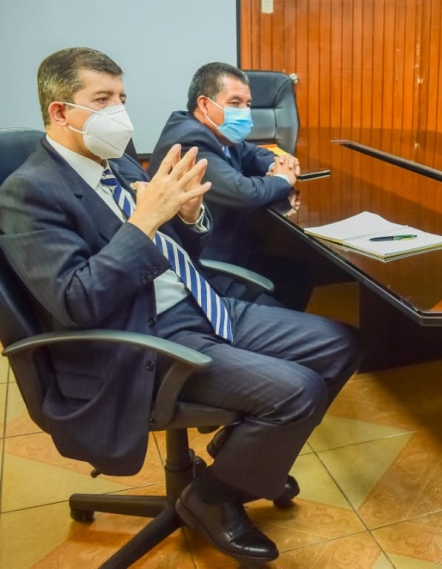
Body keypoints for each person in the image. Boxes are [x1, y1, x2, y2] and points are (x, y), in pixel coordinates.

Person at [0, 48, 361, 565]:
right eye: (102, 99)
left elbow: (171, 251)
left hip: (198, 301)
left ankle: (238, 458)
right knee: (297, 391)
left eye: (121, 97)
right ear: (60, 111)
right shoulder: (28, 192)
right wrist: (144, 221)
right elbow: (78, 301)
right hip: (139, 337)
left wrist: (188, 219)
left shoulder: (118, 163)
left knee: (341, 343)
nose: (119, 112)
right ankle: (210, 498)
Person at [151, 62, 309, 309]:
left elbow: (253, 153)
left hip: (232, 252)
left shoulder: (218, 134)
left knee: (300, 274)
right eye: (235, 103)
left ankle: (272, 329)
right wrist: (282, 179)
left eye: (248, 104)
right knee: (291, 288)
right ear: (205, 105)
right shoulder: (190, 141)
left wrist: (278, 163)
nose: (245, 112)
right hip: (204, 269)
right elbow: (244, 192)